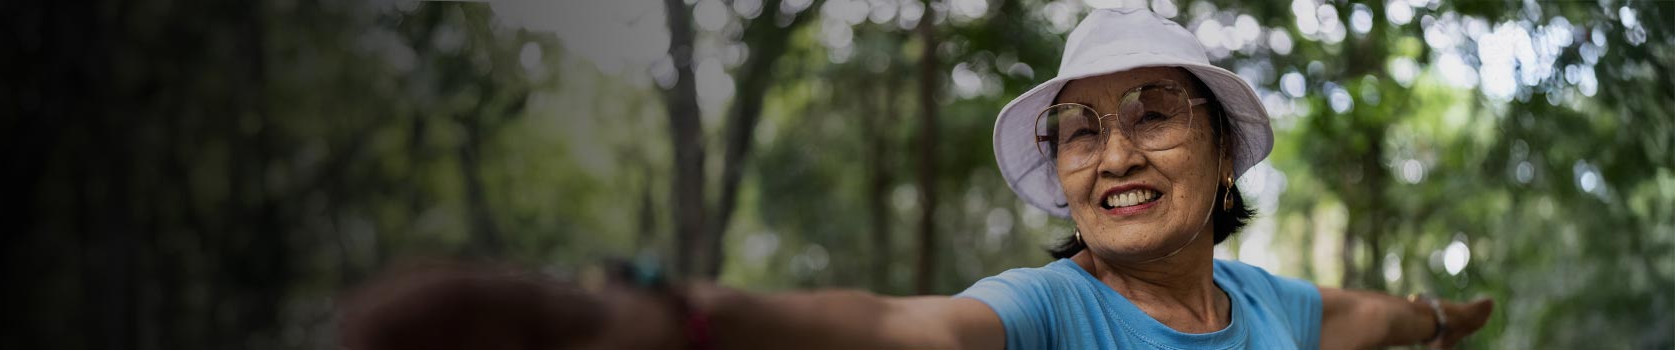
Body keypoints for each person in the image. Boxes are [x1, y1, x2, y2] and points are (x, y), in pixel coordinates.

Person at [341, 6, 1493, 350]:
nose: (1112, 154)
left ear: (1223, 149)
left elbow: (1369, 315)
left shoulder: (1268, 306)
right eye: (1078, 131)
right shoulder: (1046, 310)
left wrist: (1444, 317)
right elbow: (900, 324)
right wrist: (681, 314)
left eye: (1151, 113)